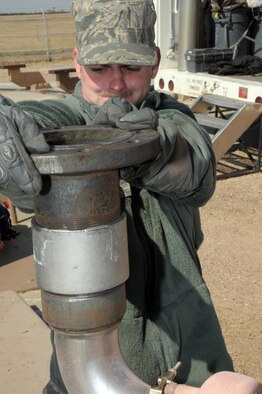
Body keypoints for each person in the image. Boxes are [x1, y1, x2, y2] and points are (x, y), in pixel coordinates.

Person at [0, 0, 236, 392]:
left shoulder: (172, 118)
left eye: (130, 67)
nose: (115, 84)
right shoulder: (59, 129)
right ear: (76, 62)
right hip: (89, 367)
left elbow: (194, 164)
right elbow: (36, 124)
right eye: (99, 68)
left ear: (156, 62)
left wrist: (145, 148)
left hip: (195, 361)